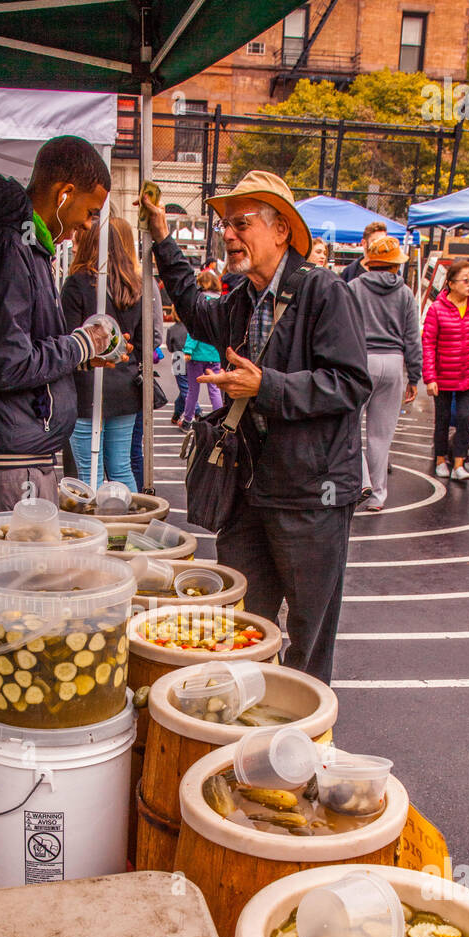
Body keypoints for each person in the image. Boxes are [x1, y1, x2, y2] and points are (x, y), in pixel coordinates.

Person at [139, 170, 371, 684]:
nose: (228, 234)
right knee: (242, 620)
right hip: (247, 493)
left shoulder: (324, 293)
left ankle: (303, 740)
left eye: (241, 223)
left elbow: (351, 384)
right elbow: (197, 312)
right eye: (226, 224)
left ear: (281, 229)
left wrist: (266, 386)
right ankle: (242, 722)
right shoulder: (242, 298)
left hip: (311, 497)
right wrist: (162, 238)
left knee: (308, 635)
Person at [0, 135, 115, 517]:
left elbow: (17, 345)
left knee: (27, 571)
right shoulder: (7, 247)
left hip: (14, 451)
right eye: (90, 211)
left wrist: (79, 358)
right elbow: (4, 363)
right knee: (19, 573)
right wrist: (81, 345)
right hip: (5, 460)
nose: (88, 225)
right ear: (64, 193)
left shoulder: (24, 244)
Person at [61, 218, 142, 491]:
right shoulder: (135, 287)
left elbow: (67, 342)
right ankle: (129, 528)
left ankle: (96, 532)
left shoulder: (77, 284)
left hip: (87, 387)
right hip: (126, 387)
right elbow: (144, 343)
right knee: (121, 467)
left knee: (88, 471)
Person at [348, 235, 421, 511]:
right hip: (393, 362)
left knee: (349, 426)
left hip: (360, 361)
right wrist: (414, 376)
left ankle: (362, 482)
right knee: (381, 435)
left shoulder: (353, 288)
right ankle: (378, 496)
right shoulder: (405, 293)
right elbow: (413, 337)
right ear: (394, 266)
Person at [422, 260, 469, 482]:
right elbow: (428, 344)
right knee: (442, 418)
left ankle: (459, 462)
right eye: (465, 280)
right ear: (450, 283)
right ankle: (441, 458)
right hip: (443, 375)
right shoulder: (437, 309)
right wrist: (430, 377)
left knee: (464, 418)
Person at [111, 215, 163, 489]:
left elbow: (154, 334)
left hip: (123, 381)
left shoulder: (140, 282)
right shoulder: (140, 281)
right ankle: (139, 510)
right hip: (132, 379)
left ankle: (138, 505)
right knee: (126, 458)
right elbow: (154, 334)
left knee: (116, 459)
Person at [180, 270, 223, 429]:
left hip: (197, 355)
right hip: (215, 354)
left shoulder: (200, 301)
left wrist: (188, 350)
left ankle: (188, 419)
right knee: (215, 390)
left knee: (193, 390)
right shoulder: (222, 301)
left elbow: (194, 329)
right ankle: (219, 419)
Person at [166, 307, 200, 427]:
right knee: (187, 388)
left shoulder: (171, 329)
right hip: (192, 358)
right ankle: (177, 413)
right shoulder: (190, 329)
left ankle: (197, 411)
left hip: (178, 358)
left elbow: (170, 348)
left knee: (185, 388)